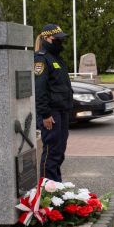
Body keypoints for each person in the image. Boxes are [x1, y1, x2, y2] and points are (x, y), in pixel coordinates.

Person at [34, 23, 72, 181]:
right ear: (46, 38)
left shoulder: (56, 58)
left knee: (59, 152)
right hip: (51, 114)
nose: (60, 42)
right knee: (51, 152)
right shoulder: (41, 59)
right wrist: (45, 114)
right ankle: (47, 189)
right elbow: (40, 89)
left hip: (62, 111)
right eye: (56, 39)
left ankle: (56, 185)